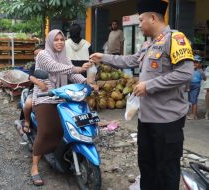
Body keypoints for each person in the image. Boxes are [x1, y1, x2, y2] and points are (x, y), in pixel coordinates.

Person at [90, 0, 194, 189]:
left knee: (166, 170)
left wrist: (149, 86)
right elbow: (130, 60)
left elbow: (185, 73)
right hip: (146, 119)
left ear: (153, 18)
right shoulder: (149, 45)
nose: (139, 24)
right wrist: (103, 57)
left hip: (167, 121)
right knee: (147, 167)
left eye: (141, 20)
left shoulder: (175, 39)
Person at [30, 29, 93, 186]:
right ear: (50, 41)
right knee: (46, 131)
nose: (59, 42)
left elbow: (72, 75)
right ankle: (34, 167)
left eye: (62, 39)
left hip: (62, 97)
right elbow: (55, 67)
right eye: (56, 40)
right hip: (44, 98)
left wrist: (86, 82)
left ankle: (66, 154)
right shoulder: (43, 55)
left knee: (70, 126)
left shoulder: (65, 57)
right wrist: (78, 69)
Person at [21, 44, 47, 133]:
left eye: (39, 55)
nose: (36, 57)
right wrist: (39, 83)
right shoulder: (34, 66)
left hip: (51, 92)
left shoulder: (52, 65)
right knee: (28, 104)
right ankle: (27, 121)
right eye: (35, 55)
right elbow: (31, 77)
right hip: (36, 91)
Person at [187, 55, 206, 120]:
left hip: (196, 86)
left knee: (194, 101)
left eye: (197, 62)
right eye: (194, 62)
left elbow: (204, 78)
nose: (195, 63)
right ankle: (192, 113)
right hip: (189, 86)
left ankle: (194, 115)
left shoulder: (200, 70)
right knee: (191, 100)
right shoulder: (189, 69)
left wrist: (201, 71)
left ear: (199, 64)